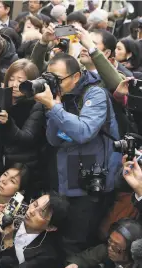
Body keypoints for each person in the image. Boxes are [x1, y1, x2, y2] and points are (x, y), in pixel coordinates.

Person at [34, 51, 121, 256]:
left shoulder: (95, 94)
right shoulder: (59, 97)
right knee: (58, 237)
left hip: (90, 181)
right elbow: (54, 139)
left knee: (75, 241)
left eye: (57, 79)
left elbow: (83, 132)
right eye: (48, 77)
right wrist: (56, 107)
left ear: (76, 76)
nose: (52, 83)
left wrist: (55, 108)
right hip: (65, 177)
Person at [0, 59, 45, 189]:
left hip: (18, 169)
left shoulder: (36, 105)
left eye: (21, 81)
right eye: (11, 79)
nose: (15, 84)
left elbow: (27, 138)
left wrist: (8, 123)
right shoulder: (0, 96)